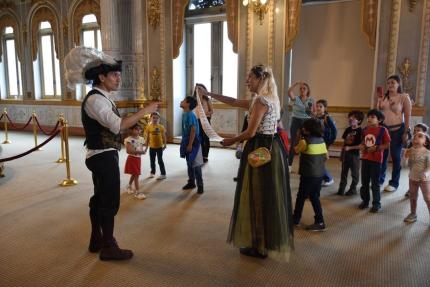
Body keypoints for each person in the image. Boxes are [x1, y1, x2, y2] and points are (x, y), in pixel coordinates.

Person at [64, 47, 159, 261]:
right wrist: (146, 110)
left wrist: (134, 124)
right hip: (101, 156)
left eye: (119, 74)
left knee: (99, 199)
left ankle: (96, 240)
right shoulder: (95, 100)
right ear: (101, 77)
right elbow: (117, 126)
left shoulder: (103, 97)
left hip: (104, 154)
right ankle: (108, 246)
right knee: (110, 202)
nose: (119, 79)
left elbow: (115, 127)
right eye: (114, 75)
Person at [198, 64, 294, 260]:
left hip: (260, 147)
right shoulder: (270, 98)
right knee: (267, 196)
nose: (246, 81)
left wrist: (230, 141)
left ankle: (259, 246)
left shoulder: (260, 101)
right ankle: (264, 242)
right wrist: (209, 93)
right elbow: (233, 101)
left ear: (260, 79)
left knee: (257, 197)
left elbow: (250, 132)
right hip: (271, 148)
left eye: (250, 77)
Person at [377, 75, 412, 192]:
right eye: (388, 83)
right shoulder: (384, 97)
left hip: (398, 130)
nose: (390, 85)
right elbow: (378, 113)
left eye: (393, 82)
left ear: (398, 84)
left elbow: (407, 117)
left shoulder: (403, 97)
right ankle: (380, 179)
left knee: (396, 157)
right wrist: (378, 100)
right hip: (384, 130)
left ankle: (394, 183)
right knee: (382, 156)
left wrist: (406, 133)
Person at [292, 118, 328, 231]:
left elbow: (296, 150)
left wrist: (297, 137)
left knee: (301, 196)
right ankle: (319, 220)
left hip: (308, 174)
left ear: (307, 130)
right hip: (319, 174)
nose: (302, 128)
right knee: (314, 196)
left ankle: (296, 219)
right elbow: (327, 157)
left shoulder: (305, 141)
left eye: (304, 127)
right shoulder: (322, 140)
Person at [359, 109, 390, 213]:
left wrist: (376, 148)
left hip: (376, 160)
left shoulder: (382, 130)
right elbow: (363, 142)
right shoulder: (365, 129)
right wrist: (362, 146)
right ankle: (365, 201)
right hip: (365, 159)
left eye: (372, 117)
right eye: (369, 117)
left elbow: (387, 144)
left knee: (375, 183)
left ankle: (376, 204)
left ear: (379, 120)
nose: (369, 119)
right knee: (364, 182)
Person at [402, 132, 430, 224]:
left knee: (427, 198)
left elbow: (429, 167)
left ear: (425, 142)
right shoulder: (411, 150)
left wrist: (426, 174)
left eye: (420, 137)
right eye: (414, 137)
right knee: (413, 197)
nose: (416, 138)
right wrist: (405, 156)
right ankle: (413, 214)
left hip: (424, 180)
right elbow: (405, 166)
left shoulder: (427, 153)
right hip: (412, 177)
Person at [287, 81, 315, 169]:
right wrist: (296, 84)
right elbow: (289, 92)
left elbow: (313, 113)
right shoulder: (296, 98)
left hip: (306, 121)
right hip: (296, 120)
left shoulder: (311, 100)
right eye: (301, 89)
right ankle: (289, 165)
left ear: (308, 90)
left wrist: (310, 112)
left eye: (304, 88)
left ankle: (306, 165)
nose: (302, 90)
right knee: (293, 142)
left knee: (307, 142)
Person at [180, 96, 204, 194]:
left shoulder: (190, 115)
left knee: (196, 164)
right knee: (189, 162)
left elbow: (193, 130)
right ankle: (191, 182)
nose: (181, 101)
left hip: (194, 142)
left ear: (188, 104)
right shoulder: (185, 113)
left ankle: (200, 185)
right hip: (187, 140)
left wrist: (190, 144)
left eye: (183, 101)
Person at [337, 110, 364, 196]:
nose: (351, 118)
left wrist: (350, 147)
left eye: (354, 117)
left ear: (359, 121)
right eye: (350, 117)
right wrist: (342, 153)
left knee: (355, 174)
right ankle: (341, 189)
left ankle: (353, 189)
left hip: (354, 155)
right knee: (343, 173)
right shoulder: (348, 129)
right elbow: (345, 142)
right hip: (346, 154)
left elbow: (361, 145)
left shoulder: (361, 131)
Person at [315, 99, 337, 186]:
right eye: (317, 106)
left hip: (324, 143)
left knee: (320, 161)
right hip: (317, 142)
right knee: (317, 161)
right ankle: (322, 177)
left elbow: (334, 131)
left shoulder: (327, 118)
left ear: (325, 108)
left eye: (321, 106)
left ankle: (329, 178)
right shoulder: (315, 117)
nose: (318, 108)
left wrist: (330, 141)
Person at [405, 123, 429, 197]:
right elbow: (408, 151)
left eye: (418, 130)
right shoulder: (413, 141)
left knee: (423, 178)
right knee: (413, 177)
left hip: (424, 164)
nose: (415, 132)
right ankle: (411, 190)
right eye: (414, 130)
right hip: (414, 163)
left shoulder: (427, 142)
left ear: (424, 132)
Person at [124, 124, 146, 199]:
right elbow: (129, 150)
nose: (138, 131)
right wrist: (141, 152)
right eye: (136, 129)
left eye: (139, 129)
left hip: (138, 159)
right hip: (132, 159)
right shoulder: (128, 139)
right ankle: (138, 192)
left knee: (134, 174)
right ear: (131, 130)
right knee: (136, 175)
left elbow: (141, 148)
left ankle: (129, 185)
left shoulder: (141, 139)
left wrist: (143, 151)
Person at [144, 112, 167, 180]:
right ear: (150, 118)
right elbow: (147, 137)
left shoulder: (161, 127)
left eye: (157, 118)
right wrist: (146, 147)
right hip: (152, 147)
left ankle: (163, 174)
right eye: (153, 117)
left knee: (160, 160)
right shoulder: (148, 127)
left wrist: (165, 144)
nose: (155, 119)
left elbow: (164, 136)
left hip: (159, 147)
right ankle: (152, 172)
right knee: (152, 161)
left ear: (159, 119)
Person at [194, 85, 213, 163]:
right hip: (197, 121)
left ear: (203, 90)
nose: (198, 90)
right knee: (199, 138)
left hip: (206, 120)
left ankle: (205, 156)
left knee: (206, 138)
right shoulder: (194, 100)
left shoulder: (207, 100)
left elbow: (212, 111)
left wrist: (205, 114)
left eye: (200, 89)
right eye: (197, 89)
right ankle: (200, 155)